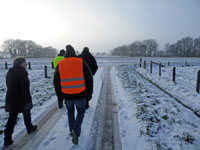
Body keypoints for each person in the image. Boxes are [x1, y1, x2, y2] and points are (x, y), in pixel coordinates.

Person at [54, 45, 93, 145]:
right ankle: (76, 131)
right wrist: (89, 94)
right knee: (81, 111)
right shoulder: (80, 61)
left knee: (70, 112)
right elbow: (89, 79)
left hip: (67, 95)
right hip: (80, 94)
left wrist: (59, 96)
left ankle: (72, 130)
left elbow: (56, 81)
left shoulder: (60, 63)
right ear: (74, 52)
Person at [4, 56, 37, 147]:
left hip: (11, 98)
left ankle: (7, 139)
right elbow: (25, 88)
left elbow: (8, 84)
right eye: (25, 62)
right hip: (21, 98)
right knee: (26, 112)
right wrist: (28, 100)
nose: (26, 64)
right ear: (20, 64)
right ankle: (29, 128)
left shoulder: (10, 72)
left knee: (12, 118)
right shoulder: (23, 73)